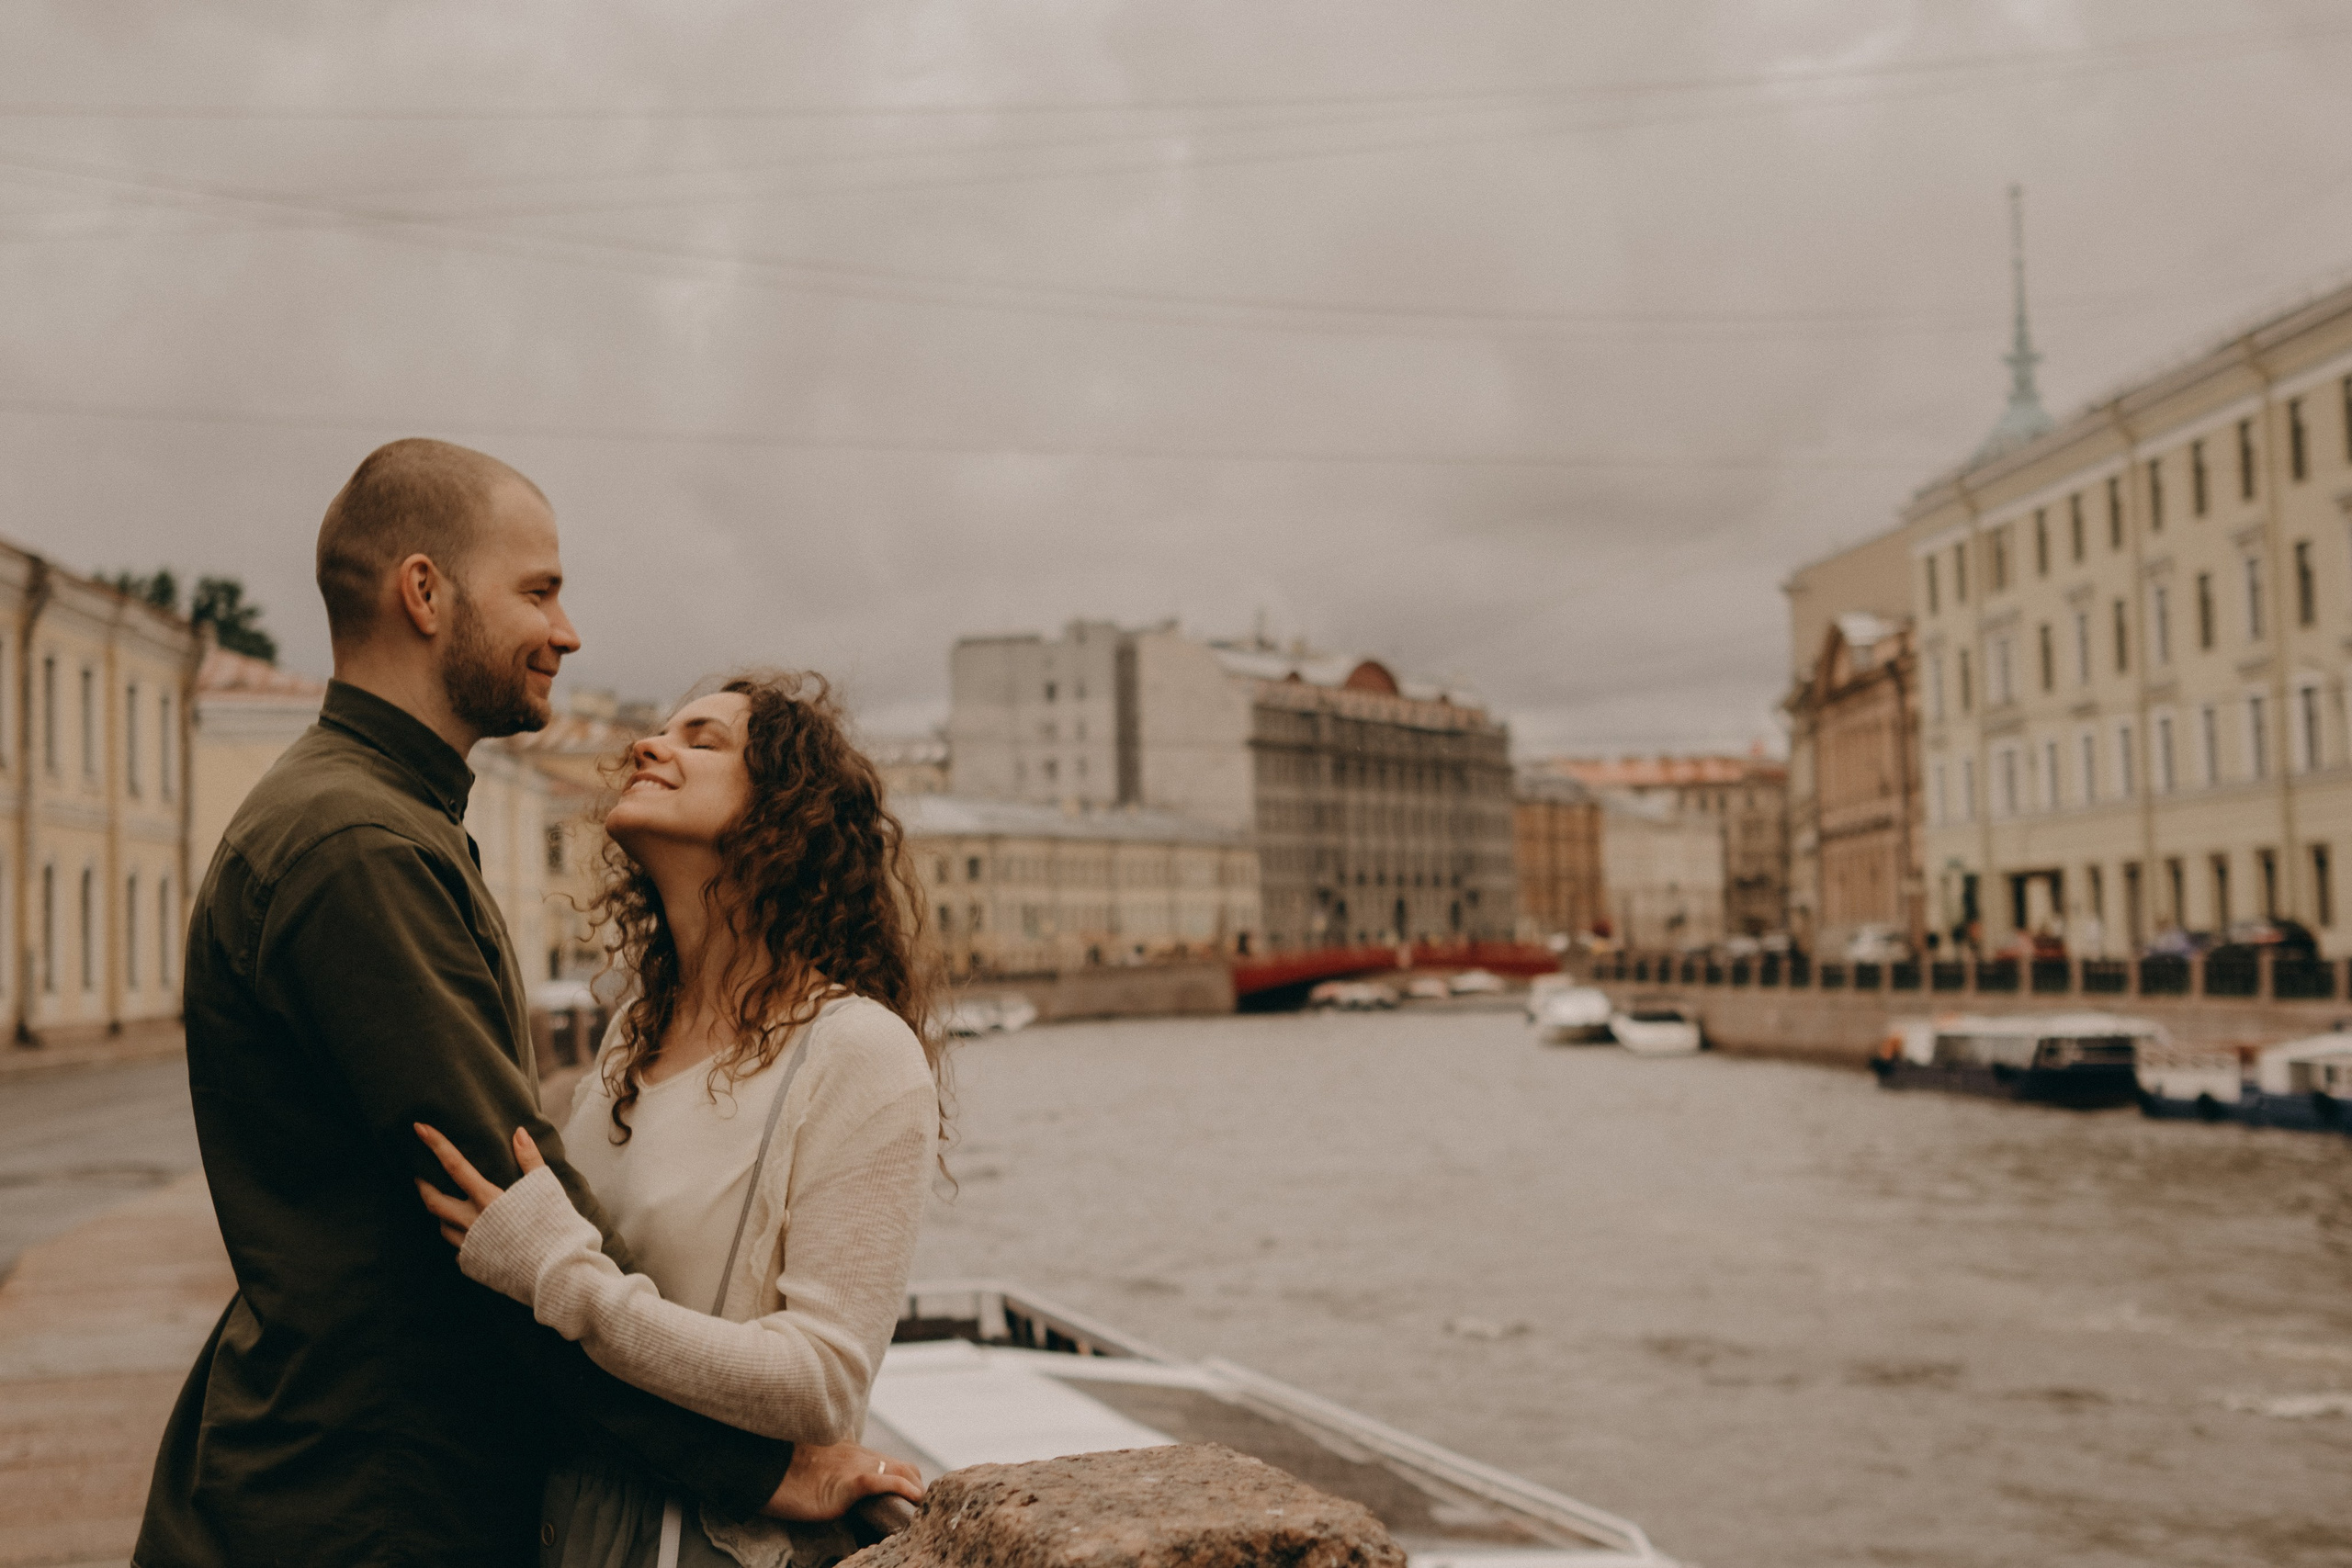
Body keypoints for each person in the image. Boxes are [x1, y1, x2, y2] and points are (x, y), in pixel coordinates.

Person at [135, 440, 914, 1568]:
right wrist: (753, 1469)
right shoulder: (362, 848)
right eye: (539, 591)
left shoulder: (387, 824)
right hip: (369, 1503)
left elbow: (533, 1239)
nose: (568, 631)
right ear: (425, 594)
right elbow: (501, 1217)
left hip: (368, 1478)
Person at [413, 671, 944, 1566]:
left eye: (703, 739)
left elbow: (820, 1384)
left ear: (785, 812)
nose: (649, 746)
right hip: (560, 1525)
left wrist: (562, 1275)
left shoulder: (859, 1051)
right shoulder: (634, 1031)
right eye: (660, 731)